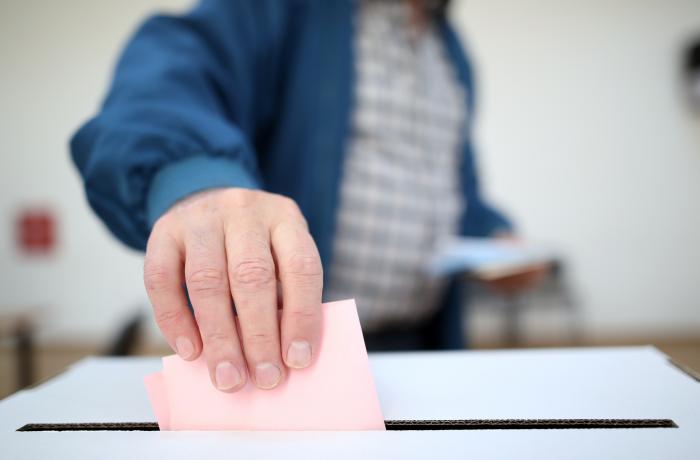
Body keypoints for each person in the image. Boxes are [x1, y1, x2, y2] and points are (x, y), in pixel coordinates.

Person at [71, 0, 544, 393]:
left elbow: (449, 186)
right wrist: (198, 182)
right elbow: (170, 73)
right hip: (296, 361)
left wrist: (491, 235)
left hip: (426, 343)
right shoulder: (287, 9)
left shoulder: (451, 55)